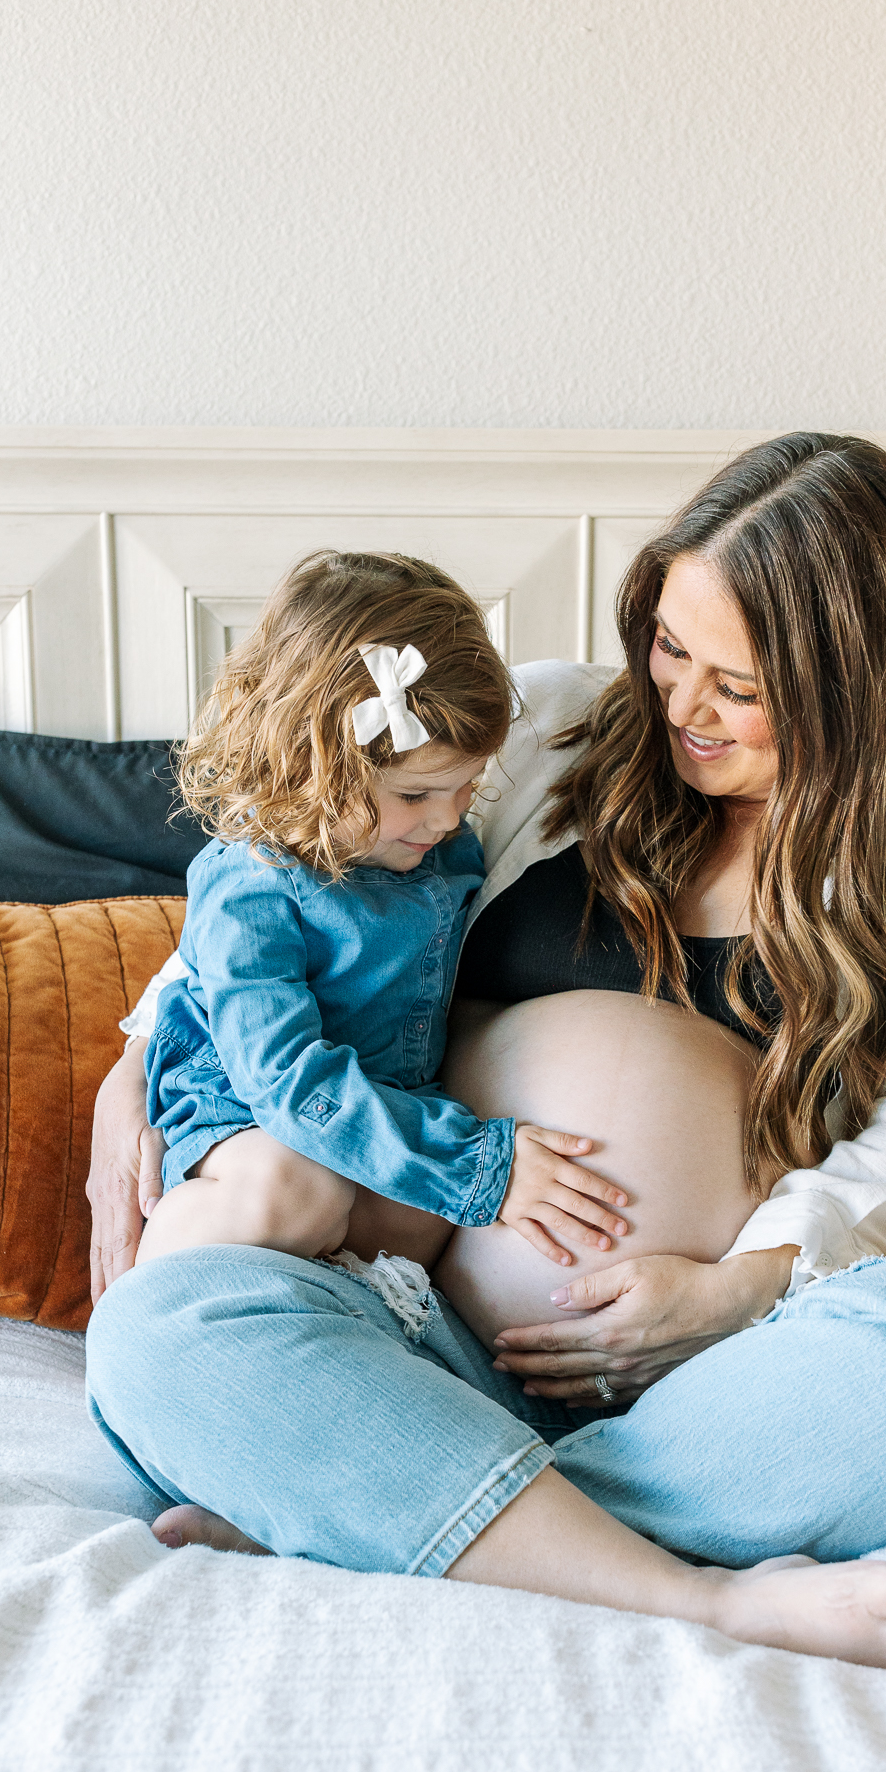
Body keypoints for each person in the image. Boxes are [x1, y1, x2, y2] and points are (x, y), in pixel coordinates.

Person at [86, 434, 886, 1673]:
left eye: (741, 684)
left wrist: (741, 1286)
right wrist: (135, 1064)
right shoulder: (551, 730)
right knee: (159, 1333)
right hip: (412, 1326)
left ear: (854, 685)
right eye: (671, 647)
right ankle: (691, 1588)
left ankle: (398, 1495)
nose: (683, 705)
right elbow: (295, 875)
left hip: (719, 1378)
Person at [132, 547, 629, 1276]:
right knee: (293, 1190)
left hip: (377, 1099)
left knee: (420, 1213)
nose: (445, 819)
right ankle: (153, 1314)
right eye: (416, 796)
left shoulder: (442, 849)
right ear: (309, 765)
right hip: (248, 1110)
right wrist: (472, 1164)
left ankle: (323, 1318)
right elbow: (282, 1080)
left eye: (466, 787)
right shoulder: (252, 885)